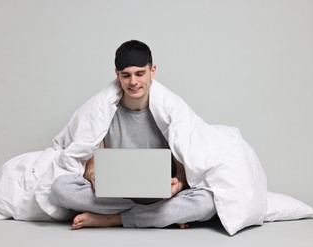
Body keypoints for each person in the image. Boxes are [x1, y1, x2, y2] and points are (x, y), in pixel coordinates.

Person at [51, 40, 216, 230]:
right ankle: (160, 215)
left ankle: (114, 219)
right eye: (126, 75)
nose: (133, 82)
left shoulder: (170, 112)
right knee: (60, 188)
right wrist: (94, 177)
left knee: (207, 201)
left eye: (140, 73)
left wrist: (177, 184)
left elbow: (183, 171)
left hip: (163, 194)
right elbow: (91, 165)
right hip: (114, 194)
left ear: (152, 70)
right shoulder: (103, 113)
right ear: (117, 74)